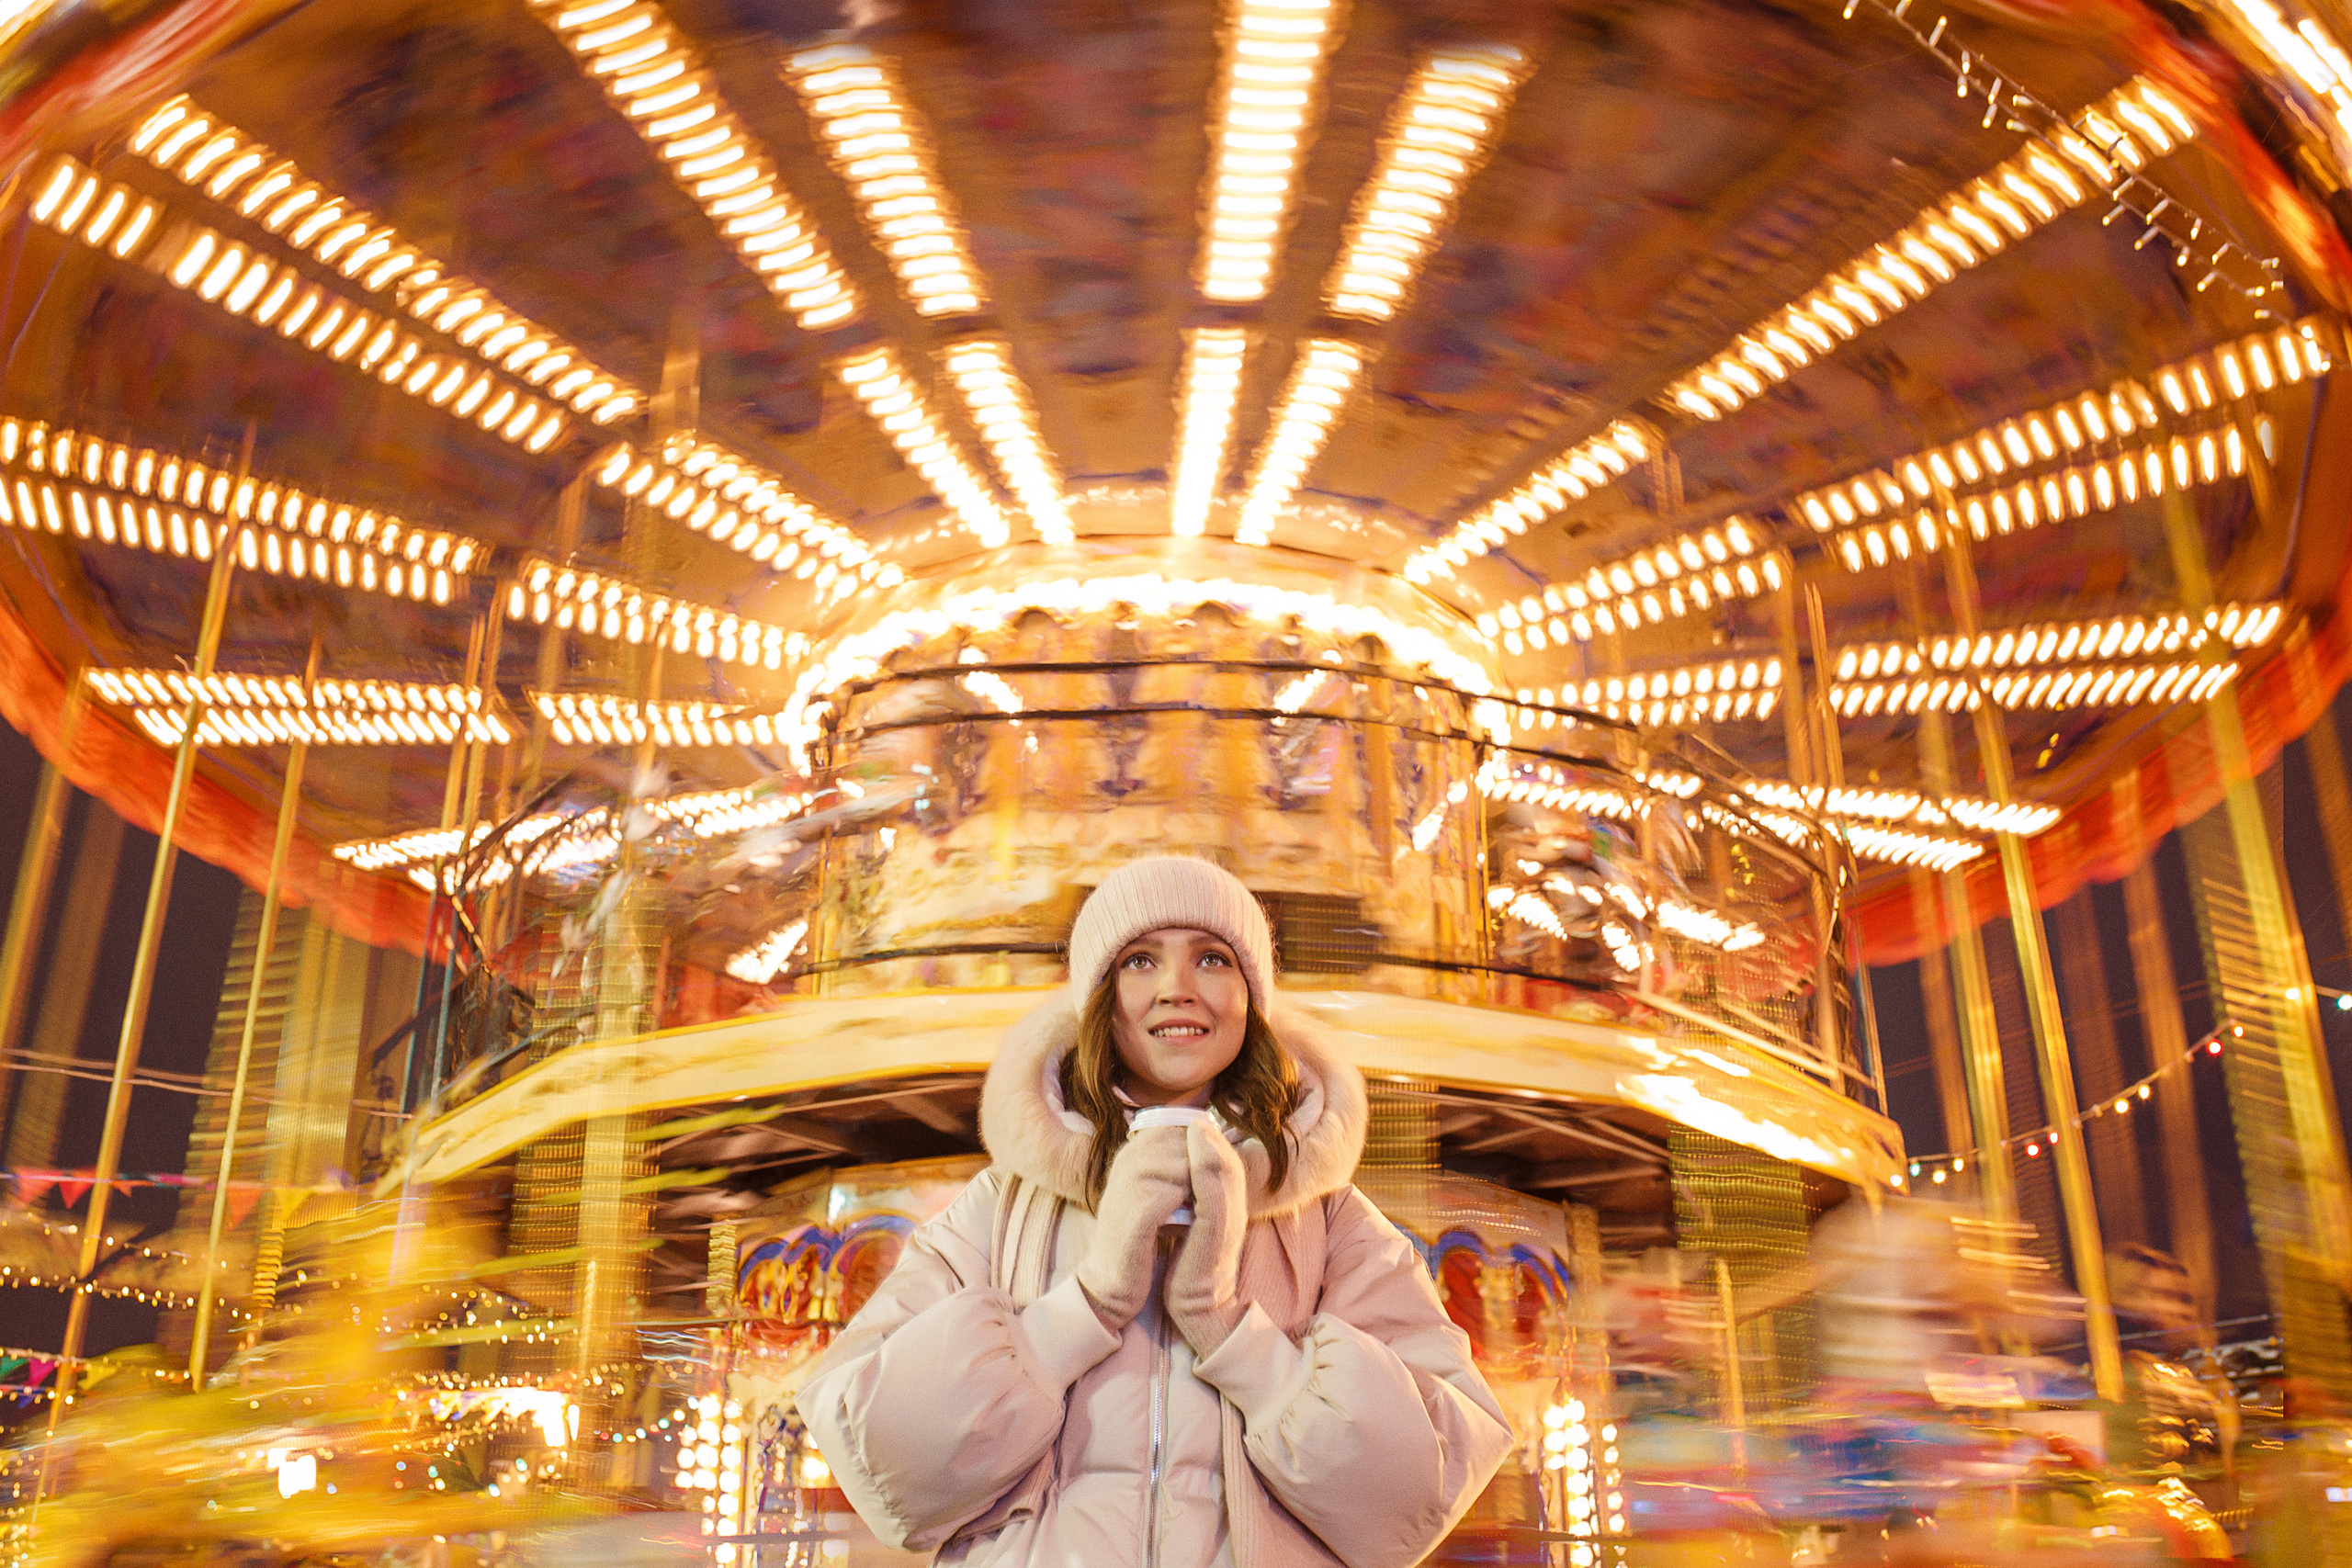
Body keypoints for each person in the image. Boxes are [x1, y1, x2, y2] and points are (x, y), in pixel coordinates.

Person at [797, 855, 1512, 1566]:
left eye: (1212, 958)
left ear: (1251, 996)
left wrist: (1229, 1328)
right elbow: (877, 1454)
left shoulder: (1328, 1219)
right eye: (1140, 961)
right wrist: (1086, 1302)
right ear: (1099, 998)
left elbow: (1422, 1487)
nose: (1176, 989)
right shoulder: (1004, 1205)